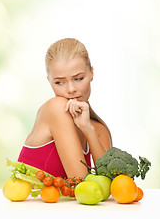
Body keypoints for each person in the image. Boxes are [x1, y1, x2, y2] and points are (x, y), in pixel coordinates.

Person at [18, 38, 112, 179]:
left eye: (79, 78)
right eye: (59, 82)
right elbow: (80, 181)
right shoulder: (56, 108)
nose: (71, 89)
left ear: (91, 73)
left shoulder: (97, 129)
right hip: (30, 201)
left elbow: (114, 185)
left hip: (66, 202)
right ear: (49, 81)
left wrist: (87, 129)